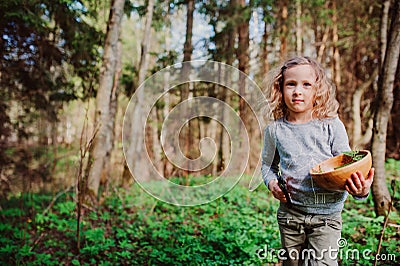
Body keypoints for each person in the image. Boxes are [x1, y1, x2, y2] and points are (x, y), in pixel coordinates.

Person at [261, 56, 374, 266]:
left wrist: (361, 190)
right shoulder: (275, 130)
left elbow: (348, 166)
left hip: (327, 218)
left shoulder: (331, 125)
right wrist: (271, 183)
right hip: (290, 216)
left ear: (317, 90)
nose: (297, 91)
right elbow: (267, 166)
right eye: (291, 84)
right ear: (280, 88)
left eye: (306, 85)